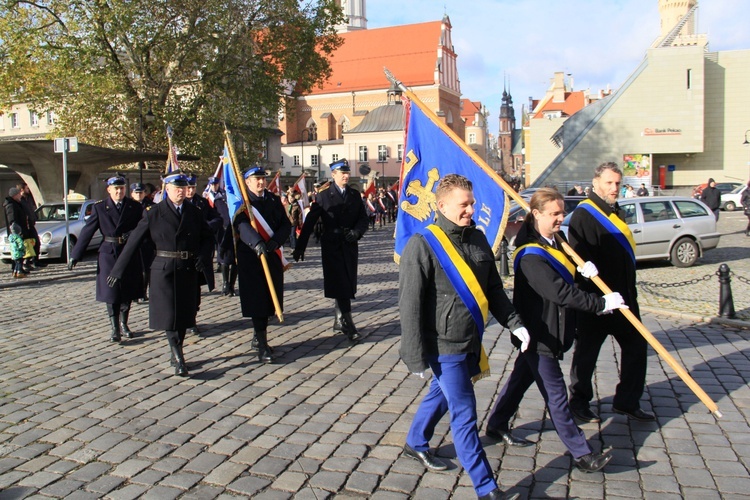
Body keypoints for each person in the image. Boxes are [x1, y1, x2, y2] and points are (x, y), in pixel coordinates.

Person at [399, 174, 529, 500]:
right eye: (464, 204)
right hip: (444, 346)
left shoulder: (479, 238)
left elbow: (494, 291)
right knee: (465, 413)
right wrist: (414, 355)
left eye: (472, 203)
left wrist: (515, 323)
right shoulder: (422, 245)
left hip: (471, 338)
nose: (470, 209)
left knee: (441, 395)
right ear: (442, 206)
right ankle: (486, 487)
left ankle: (415, 442)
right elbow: (410, 305)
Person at [486, 188, 625, 473]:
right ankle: (582, 454)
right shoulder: (530, 256)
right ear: (536, 214)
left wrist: (582, 271)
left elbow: (566, 278)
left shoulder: (555, 243)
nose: (562, 218)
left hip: (552, 329)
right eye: (555, 214)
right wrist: (599, 303)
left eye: (563, 212)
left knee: (520, 380)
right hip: (540, 334)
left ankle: (497, 424)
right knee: (557, 397)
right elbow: (560, 292)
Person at [567, 162, 655, 423]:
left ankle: (627, 401)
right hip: (597, 300)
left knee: (637, 348)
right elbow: (580, 257)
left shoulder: (616, 211)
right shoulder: (585, 214)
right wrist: (596, 296)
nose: (614, 188)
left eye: (617, 183)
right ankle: (579, 403)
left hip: (625, 298)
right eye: (609, 183)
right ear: (596, 183)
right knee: (586, 355)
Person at [107, 172, 215, 376]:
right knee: (170, 315)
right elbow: (134, 242)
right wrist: (118, 271)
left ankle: (178, 348)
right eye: (177, 189)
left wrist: (204, 255)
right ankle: (177, 355)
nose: (181, 192)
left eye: (183, 188)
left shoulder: (194, 211)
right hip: (164, 269)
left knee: (185, 315)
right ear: (167, 189)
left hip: (188, 268)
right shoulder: (153, 213)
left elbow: (208, 237)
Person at [293, 159, 369, 341]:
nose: (346, 176)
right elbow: (311, 220)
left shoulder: (354, 194)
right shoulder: (324, 196)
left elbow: (363, 219)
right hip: (332, 245)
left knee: (348, 282)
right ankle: (348, 324)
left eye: (347, 172)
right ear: (333, 175)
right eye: (341, 173)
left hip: (349, 244)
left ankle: (338, 319)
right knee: (341, 283)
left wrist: (357, 232)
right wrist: (300, 246)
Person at [68, 175, 144, 342]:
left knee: (127, 290)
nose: (119, 191)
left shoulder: (135, 207)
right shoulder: (100, 208)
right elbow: (88, 231)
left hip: (128, 252)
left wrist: (131, 234)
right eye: (115, 189)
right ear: (109, 190)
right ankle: (114, 327)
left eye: (122, 188)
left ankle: (124, 323)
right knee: (111, 291)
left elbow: (142, 227)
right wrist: (75, 254)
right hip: (108, 253)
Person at [234, 166, 292, 363]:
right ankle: (262, 343)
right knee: (257, 301)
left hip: (272, 255)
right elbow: (239, 224)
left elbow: (286, 224)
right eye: (256, 179)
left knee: (270, 300)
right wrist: (256, 242)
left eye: (262, 179)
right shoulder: (244, 202)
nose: (260, 182)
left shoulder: (273, 200)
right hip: (252, 257)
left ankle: (259, 336)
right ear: (247, 182)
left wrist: (277, 240)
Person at [185, 172, 220, 335]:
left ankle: (192, 318)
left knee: (194, 290)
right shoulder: (172, 203)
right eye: (187, 187)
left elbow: (217, 219)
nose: (190, 191)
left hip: (198, 252)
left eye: (192, 187)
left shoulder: (202, 202)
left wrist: (206, 226)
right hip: (179, 252)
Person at [130, 183, 155, 303]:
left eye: (141, 192)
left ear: (145, 193)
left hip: (147, 241)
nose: (139, 195)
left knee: (146, 269)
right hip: (133, 241)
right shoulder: (128, 206)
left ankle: (143, 292)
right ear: (132, 194)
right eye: (136, 192)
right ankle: (134, 292)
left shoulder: (152, 206)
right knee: (134, 270)